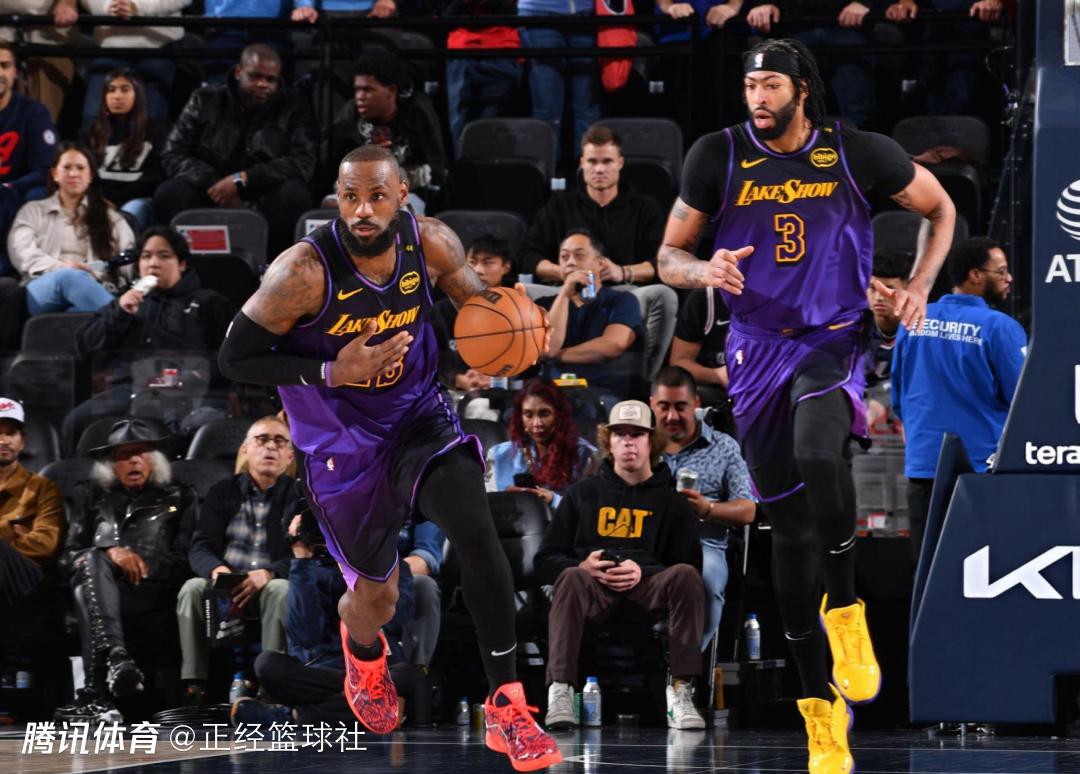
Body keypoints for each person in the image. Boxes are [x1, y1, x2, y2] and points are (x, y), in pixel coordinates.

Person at [656, 38, 955, 773]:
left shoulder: (857, 152)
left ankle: (846, 611)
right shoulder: (717, 154)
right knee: (787, 535)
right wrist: (703, 269)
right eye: (750, 85)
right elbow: (668, 255)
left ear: (801, 90)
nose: (758, 97)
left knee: (820, 452)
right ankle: (820, 709)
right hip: (754, 348)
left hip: (832, 338)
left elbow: (941, 207)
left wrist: (918, 285)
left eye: (770, 85)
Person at [217, 145, 562, 768]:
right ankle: (364, 653)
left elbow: (480, 309)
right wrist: (332, 369)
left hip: (416, 419)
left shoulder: (430, 243)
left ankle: (507, 707)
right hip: (341, 446)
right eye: (350, 197)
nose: (363, 210)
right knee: (376, 597)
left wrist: (518, 327)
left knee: (476, 532)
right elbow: (234, 359)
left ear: (402, 195)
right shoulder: (302, 271)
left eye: (377, 196)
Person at [535, 399, 706, 730]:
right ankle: (561, 690)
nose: (628, 442)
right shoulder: (581, 494)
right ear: (608, 441)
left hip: (647, 592)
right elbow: (543, 562)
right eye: (620, 434)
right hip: (594, 592)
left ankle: (682, 690)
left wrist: (645, 571)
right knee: (570, 576)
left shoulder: (672, 502)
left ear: (651, 441)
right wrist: (583, 565)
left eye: (637, 434)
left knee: (685, 576)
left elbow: (689, 563)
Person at [890, 238, 1025, 562]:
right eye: (1001, 271)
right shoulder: (1000, 327)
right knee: (983, 571)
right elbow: (1022, 401)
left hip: (923, 466)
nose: (1009, 278)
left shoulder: (914, 319)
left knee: (928, 570)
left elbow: (898, 395)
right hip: (982, 470)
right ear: (975, 275)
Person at [56, 419, 197, 720]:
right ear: (111, 464)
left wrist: (139, 565)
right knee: (92, 564)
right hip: (99, 587)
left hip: (153, 590)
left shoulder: (180, 495)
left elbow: (185, 559)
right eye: (124, 454)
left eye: (142, 452)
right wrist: (110, 554)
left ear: (154, 459)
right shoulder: (89, 495)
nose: (134, 460)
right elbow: (68, 558)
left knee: (89, 581)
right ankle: (117, 658)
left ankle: (95, 691)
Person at [231, 516, 419, 730]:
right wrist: (302, 559)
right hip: (320, 671)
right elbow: (306, 636)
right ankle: (376, 706)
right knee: (267, 665)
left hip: (373, 670)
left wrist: (359, 570)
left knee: (409, 676)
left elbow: (395, 621)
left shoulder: (390, 565)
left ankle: (294, 716)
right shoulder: (306, 568)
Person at [176, 415, 304, 703]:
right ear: (245, 449)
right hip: (226, 583)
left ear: (289, 455)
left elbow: (303, 553)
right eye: (262, 440)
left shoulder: (298, 496)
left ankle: (270, 688)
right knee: (191, 589)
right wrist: (217, 570)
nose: (270, 447)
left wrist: (269, 573)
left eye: (280, 441)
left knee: (281, 589)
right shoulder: (223, 491)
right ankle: (194, 686)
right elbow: (201, 545)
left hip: (270, 585)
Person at [155, 44, 316, 256]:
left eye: (270, 80)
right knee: (170, 193)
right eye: (255, 76)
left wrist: (243, 179)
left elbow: (304, 161)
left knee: (294, 195)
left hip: (264, 190)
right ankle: (180, 263)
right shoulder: (204, 99)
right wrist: (216, 186)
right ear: (239, 72)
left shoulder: (294, 105)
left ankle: (277, 266)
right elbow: (172, 154)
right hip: (208, 187)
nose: (263, 84)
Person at [650, 366, 755, 651]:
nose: (672, 416)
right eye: (664, 407)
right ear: (652, 405)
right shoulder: (640, 445)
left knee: (707, 585)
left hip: (703, 543)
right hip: (646, 541)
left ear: (695, 403)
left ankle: (685, 665)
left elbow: (747, 510)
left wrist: (707, 509)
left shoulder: (723, 447)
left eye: (680, 407)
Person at [518, 126, 663, 287]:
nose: (599, 169)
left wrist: (624, 272)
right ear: (582, 163)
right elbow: (527, 255)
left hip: (628, 291)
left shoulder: (645, 208)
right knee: (526, 290)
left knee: (664, 294)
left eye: (607, 161)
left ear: (620, 163)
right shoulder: (559, 207)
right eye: (592, 162)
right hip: (568, 291)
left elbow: (663, 261)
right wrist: (563, 272)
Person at [9, 142, 136, 315]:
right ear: (54, 173)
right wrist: (61, 267)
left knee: (77, 313)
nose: (73, 173)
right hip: (42, 288)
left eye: (80, 168)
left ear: (90, 175)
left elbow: (127, 260)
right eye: (67, 167)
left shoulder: (111, 217)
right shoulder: (32, 211)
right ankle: (124, 322)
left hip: (94, 289)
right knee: (70, 276)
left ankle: (112, 317)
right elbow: (22, 253)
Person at [538, 228, 643, 408]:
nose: (571, 262)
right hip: (550, 393)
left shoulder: (622, 301)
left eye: (579, 255)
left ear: (601, 263)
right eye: (564, 257)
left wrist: (557, 356)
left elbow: (612, 346)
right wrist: (564, 294)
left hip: (600, 391)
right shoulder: (542, 305)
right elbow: (548, 348)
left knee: (586, 410)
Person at [326, 54, 447, 202]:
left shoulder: (417, 112)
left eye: (368, 90)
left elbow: (436, 168)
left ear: (391, 90)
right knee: (330, 203)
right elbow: (333, 169)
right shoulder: (350, 114)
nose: (360, 96)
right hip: (358, 187)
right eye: (357, 90)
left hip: (409, 191)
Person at [485, 378, 599, 509]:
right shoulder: (499, 455)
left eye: (544, 414)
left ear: (559, 415)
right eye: (528, 415)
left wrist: (553, 500)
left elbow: (589, 510)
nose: (536, 423)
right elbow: (485, 504)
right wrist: (504, 499)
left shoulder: (585, 456)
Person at [82, 69, 169, 232]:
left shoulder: (156, 131)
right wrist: (99, 199)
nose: (117, 96)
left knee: (130, 214)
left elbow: (158, 176)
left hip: (137, 199)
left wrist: (116, 202)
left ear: (138, 94)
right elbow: (83, 174)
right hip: (99, 200)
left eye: (125, 90)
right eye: (111, 90)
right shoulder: (91, 131)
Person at [78, 0, 189, 127]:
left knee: (152, 116)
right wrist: (107, 6)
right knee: (93, 116)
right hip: (108, 45)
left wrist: (139, 7)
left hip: (159, 45)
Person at [0, 398, 63, 616]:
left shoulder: (43, 487)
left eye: (11, 433)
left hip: (27, 578)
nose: (3, 440)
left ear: (23, 441)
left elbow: (45, 544)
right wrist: (13, 529)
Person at [0, 42, 58, 278]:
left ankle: (12, 269)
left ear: (15, 71)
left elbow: (45, 168)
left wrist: (10, 187)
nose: (0, 73)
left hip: (15, 191)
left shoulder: (33, 112)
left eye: (5, 65)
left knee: (36, 195)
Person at [431, 233, 513, 392]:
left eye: (488, 263)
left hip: (504, 390)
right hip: (452, 392)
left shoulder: (517, 311)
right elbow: (429, 357)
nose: (478, 270)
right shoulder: (442, 312)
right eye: (472, 262)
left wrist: (498, 377)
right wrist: (457, 379)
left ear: (506, 267)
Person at [443, 0, 523, 155]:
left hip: (501, 48)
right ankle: (463, 165)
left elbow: (515, 10)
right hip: (462, 49)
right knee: (460, 116)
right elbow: (444, 15)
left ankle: (490, 166)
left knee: (493, 118)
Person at [864, 249, 911, 430]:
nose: (879, 297)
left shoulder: (922, 330)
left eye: (889, 289)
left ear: (906, 287)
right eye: (872, 288)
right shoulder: (849, 330)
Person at [668, 287, 732, 409]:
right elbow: (679, 361)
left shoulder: (770, 298)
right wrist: (718, 375)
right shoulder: (704, 298)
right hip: (714, 387)